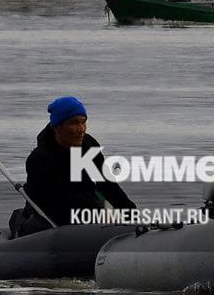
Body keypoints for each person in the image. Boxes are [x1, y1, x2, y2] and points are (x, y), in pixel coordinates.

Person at [10, 96, 137, 237]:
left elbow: (108, 185)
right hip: (50, 212)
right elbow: (64, 199)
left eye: (83, 122)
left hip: (85, 206)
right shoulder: (40, 159)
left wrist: (132, 215)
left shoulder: (88, 146)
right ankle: (20, 221)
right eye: (74, 123)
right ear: (57, 127)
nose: (81, 129)